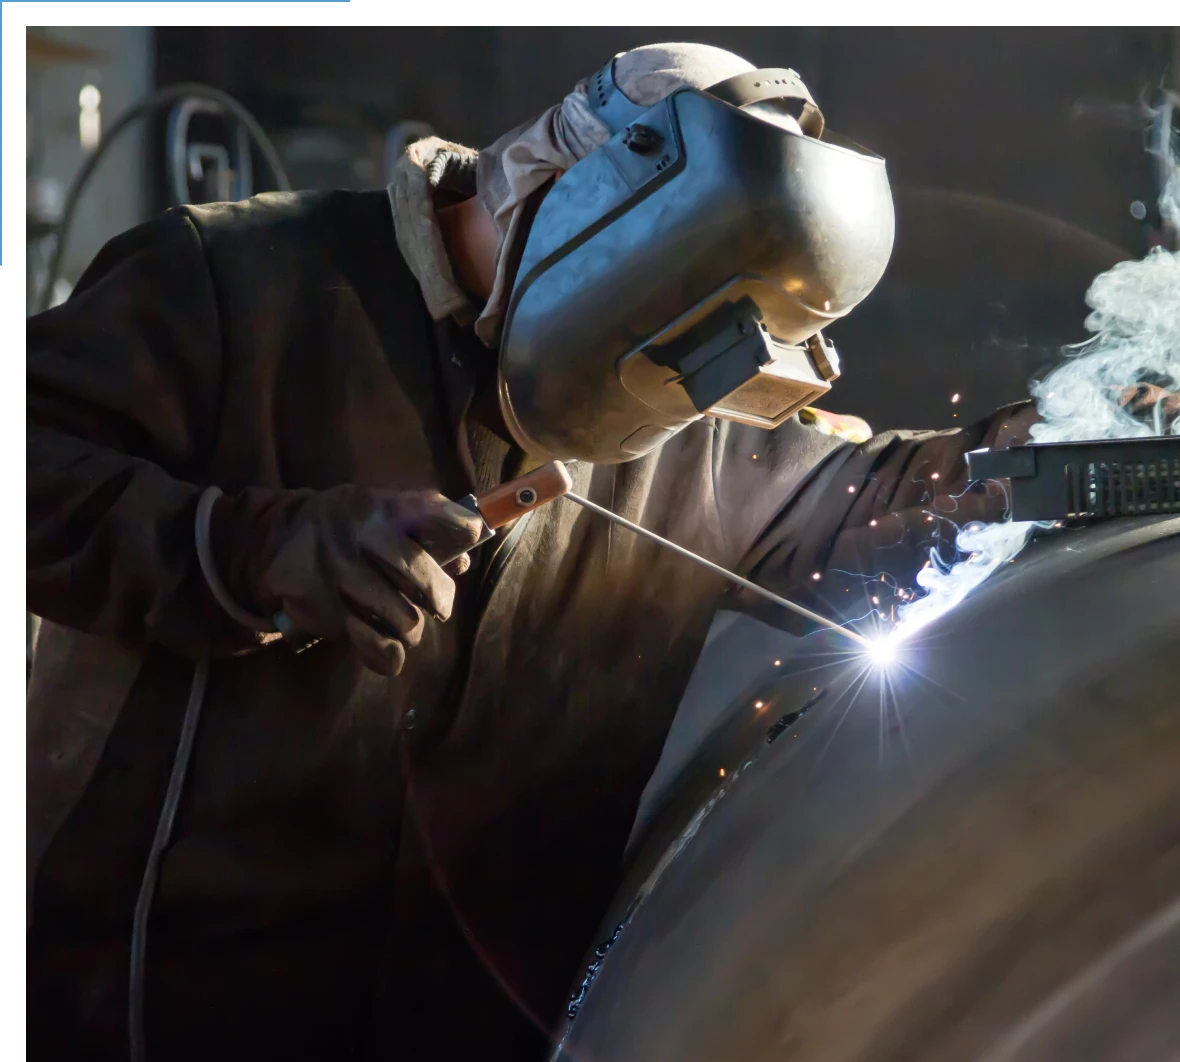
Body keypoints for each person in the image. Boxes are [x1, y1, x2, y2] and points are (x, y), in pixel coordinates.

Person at [25, 43, 1038, 1061]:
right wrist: (249, 547)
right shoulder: (234, 283)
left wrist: (1050, 454)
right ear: (576, 191)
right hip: (150, 1005)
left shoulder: (693, 421)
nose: (670, 388)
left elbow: (888, 501)